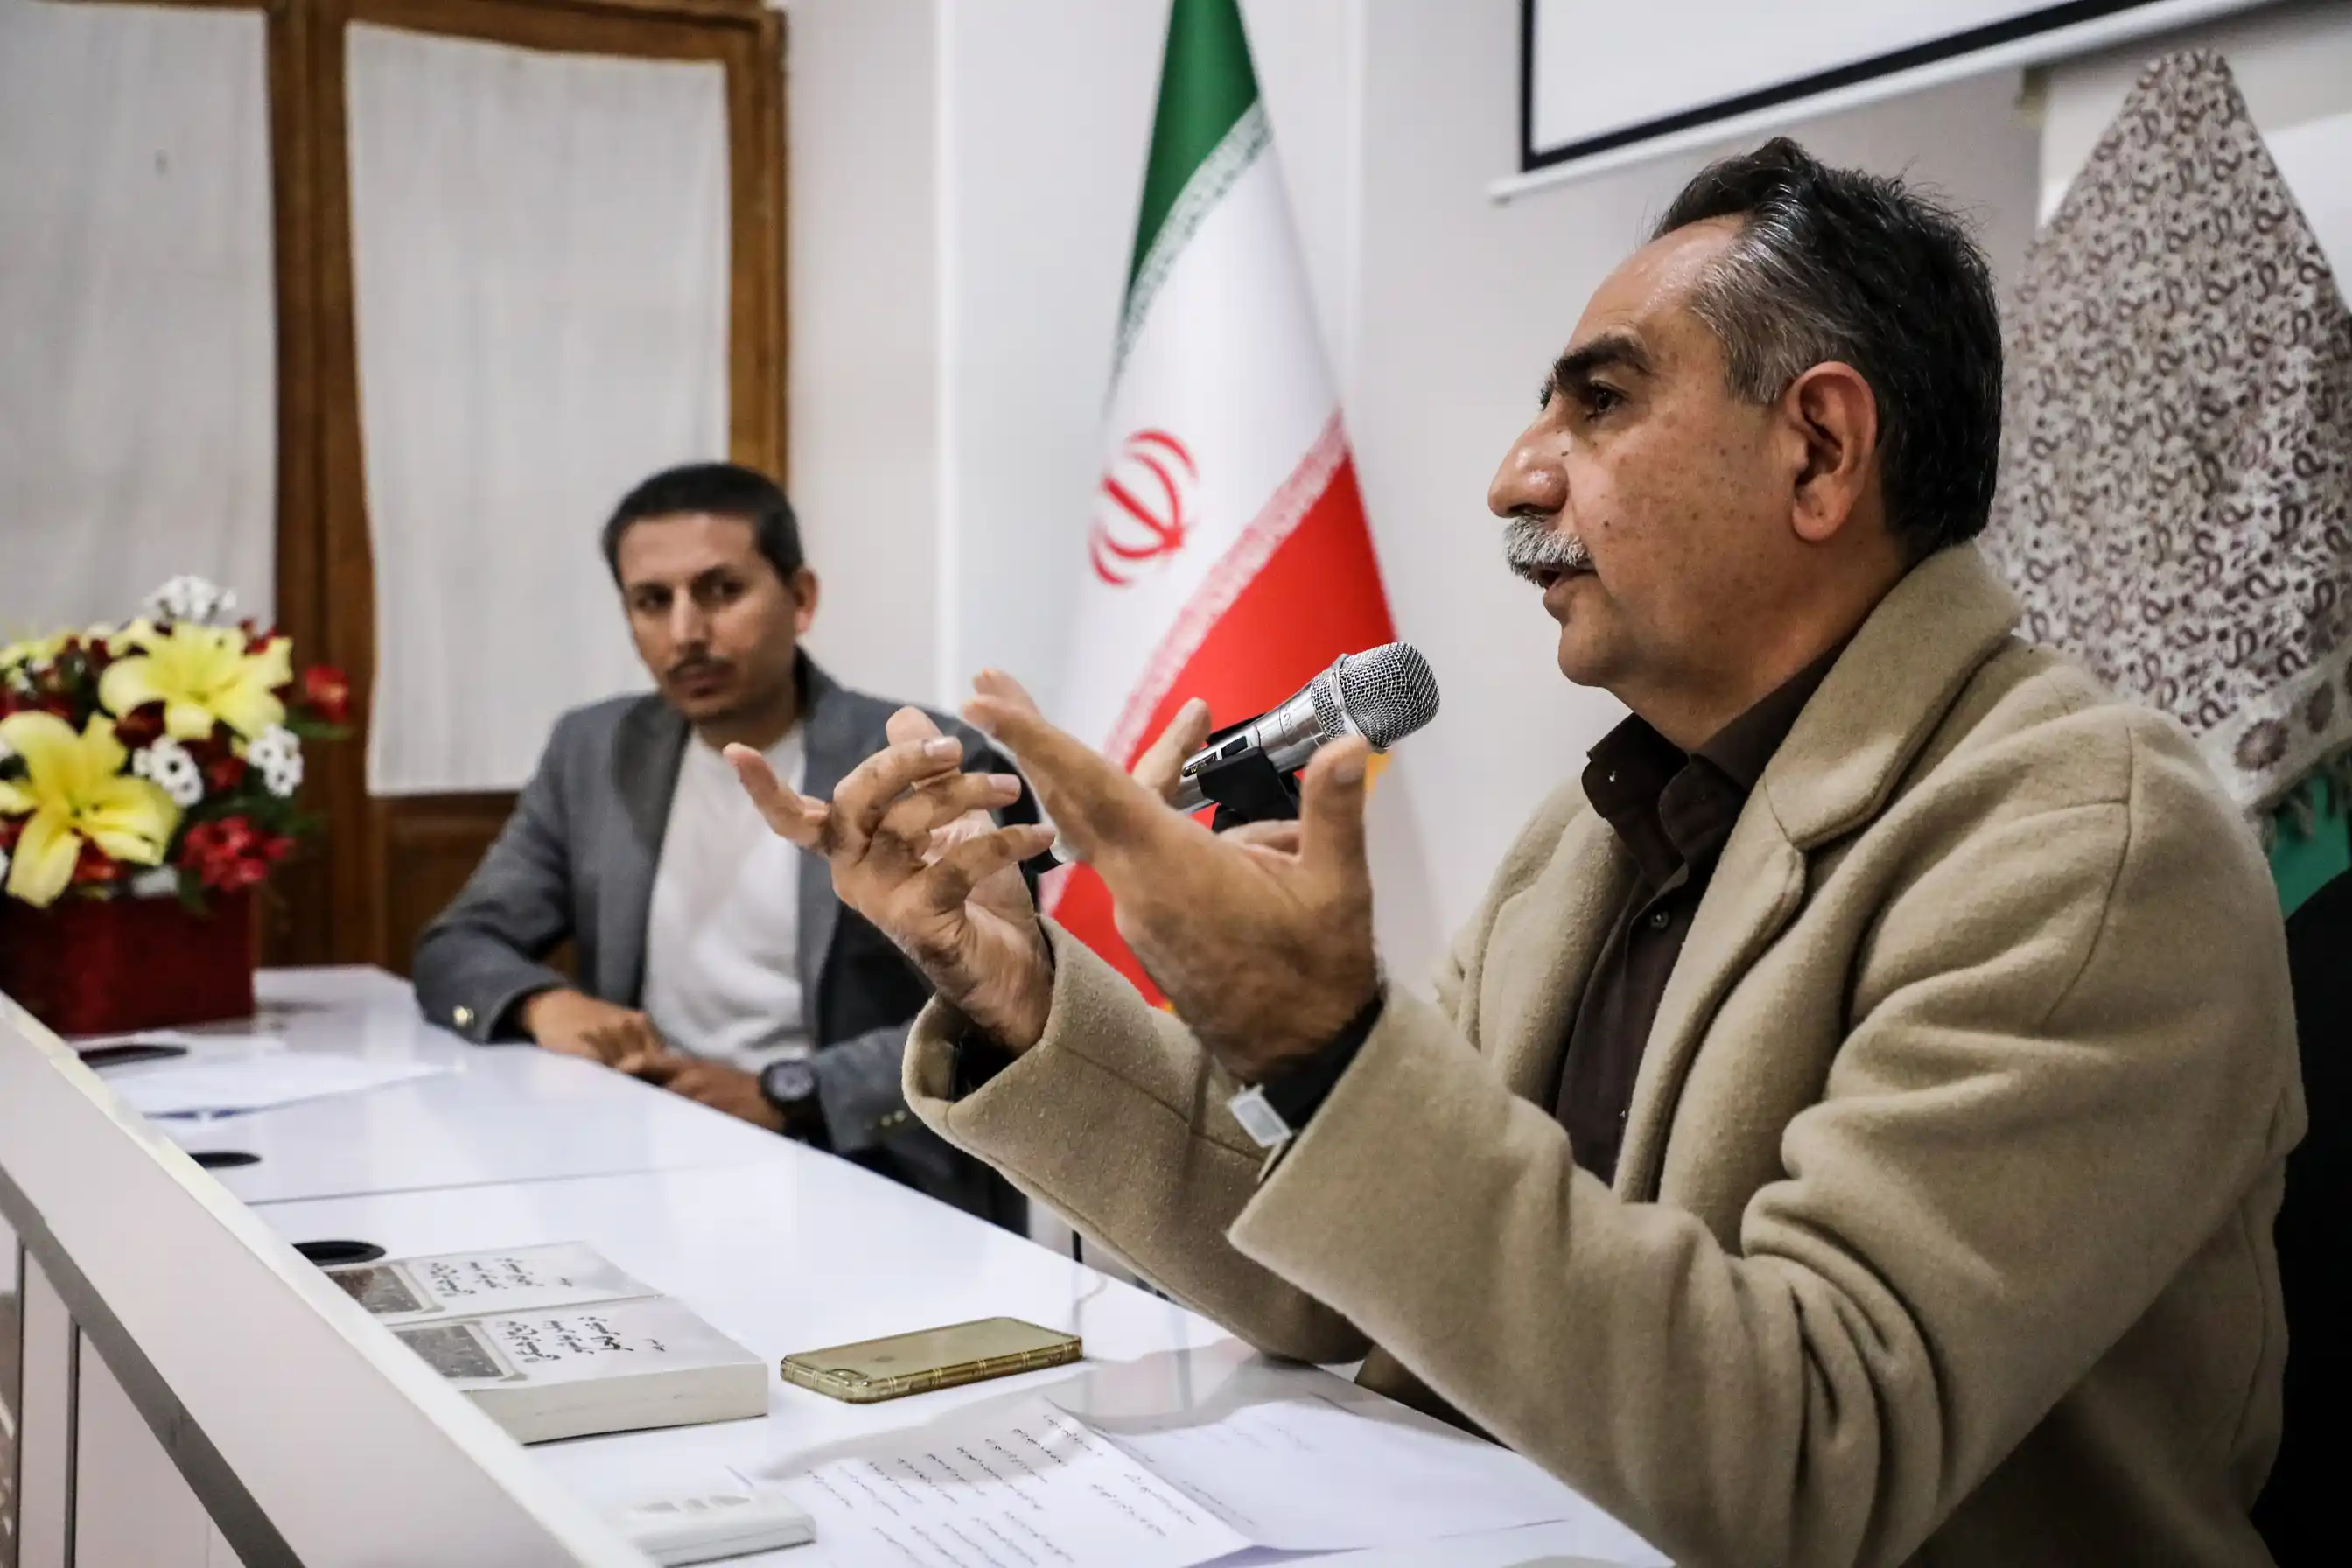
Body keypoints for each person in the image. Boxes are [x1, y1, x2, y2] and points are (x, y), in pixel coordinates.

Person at [732, 141, 2303, 1564]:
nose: (1515, 476)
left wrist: (1324, 1042)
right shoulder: (1602, 821)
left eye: (1597, 403)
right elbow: (1340, 1261)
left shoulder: (2084, 842)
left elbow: (1813, 1461)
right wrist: (1017, 992)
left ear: (1820, 451)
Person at [414, 462, 1030, 1229]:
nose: (686, 633)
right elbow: (459, 944)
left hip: (871, 1174)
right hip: (647, 1153)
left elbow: (1003, 1010)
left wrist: (788, 1093)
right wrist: (545, 1003)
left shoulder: (917, 762)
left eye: (720, 591)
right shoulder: (594, 752)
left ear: (800, 598)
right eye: (652, 601)